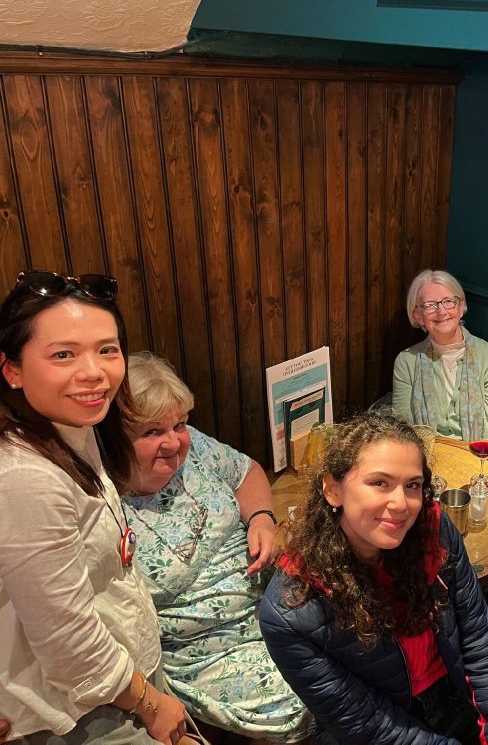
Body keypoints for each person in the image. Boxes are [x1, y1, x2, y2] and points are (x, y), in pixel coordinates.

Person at [259, 414, 488, 745]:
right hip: (386, 721)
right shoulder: (289, 611)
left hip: (458, 688)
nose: (401, 503)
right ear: (333, 489)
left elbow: (479, 641)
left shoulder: (434, 531)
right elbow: (369, 725)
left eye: (412, 485)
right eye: (379, 483)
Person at [0, 271, 190, 744]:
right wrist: (149, 703)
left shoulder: (75, 432)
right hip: (80, 710)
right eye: (63, 354)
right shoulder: (25, 478)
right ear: (12, 369)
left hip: (124, 678)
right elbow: (68, 643)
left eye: (107, 349)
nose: (94, 372)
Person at [121, 352, 312, 743]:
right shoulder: (101, 505)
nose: (173, 442)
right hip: (206, 650)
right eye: (152, 432)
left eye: (179, 424)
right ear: (114, 438)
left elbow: (246, 471)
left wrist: (261, 517)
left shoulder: (193, 450)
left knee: (362, 647)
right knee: (307, 700)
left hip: (274, 601)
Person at [392, 269, 488, 456]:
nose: (441, 311)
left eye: (448, 301)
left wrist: (474, 468)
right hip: (425, 459)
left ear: (461, 306)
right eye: (430, 305)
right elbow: (403, 431)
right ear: (417, 315)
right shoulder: (406, 361)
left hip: (479, 459)